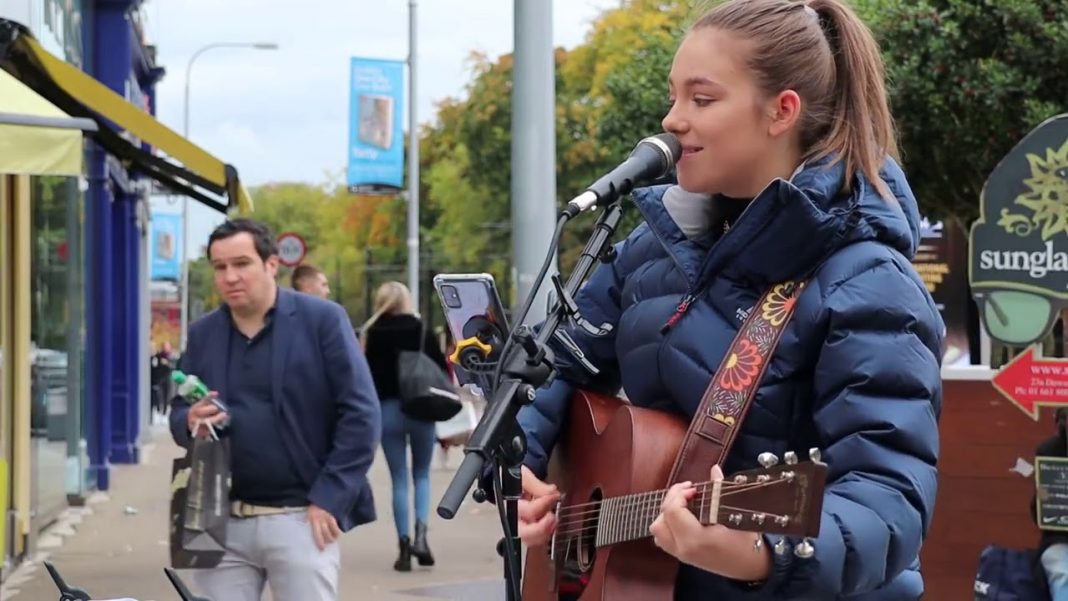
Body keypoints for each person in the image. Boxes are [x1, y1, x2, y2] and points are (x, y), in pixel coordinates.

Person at [513, 0, 944, 598]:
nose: (672, 120)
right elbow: (560, 362)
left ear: (781, 111)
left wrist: (762, 554)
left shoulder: (868, 281)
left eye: (702, 99)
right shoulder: (654, 247)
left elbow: (888, 498)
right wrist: (522, 469)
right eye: (673, 97)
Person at [168, 219, 381, 601]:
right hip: (218, 520)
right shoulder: (203, 334)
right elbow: (178, 412)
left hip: (301, 517)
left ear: (271, 265)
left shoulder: (322, 321)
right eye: (220, 267)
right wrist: (189, 419)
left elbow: (361, 414)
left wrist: (329, 498)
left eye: (242, 263)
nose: (230, 276)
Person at [361, 281, 448, 571]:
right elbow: (441, 370)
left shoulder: (372, 334)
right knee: (421, 474)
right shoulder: (421, 330)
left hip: (387, 412)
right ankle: (422, 537)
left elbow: (366, 378)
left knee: (399, 478)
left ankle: (403, 548)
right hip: (422, 408)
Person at [1034, 408, 1068, 600]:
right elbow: (1039, 516)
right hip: (1059, 540)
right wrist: (1041, 498)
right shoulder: (1048, 451)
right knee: (1063, 572)